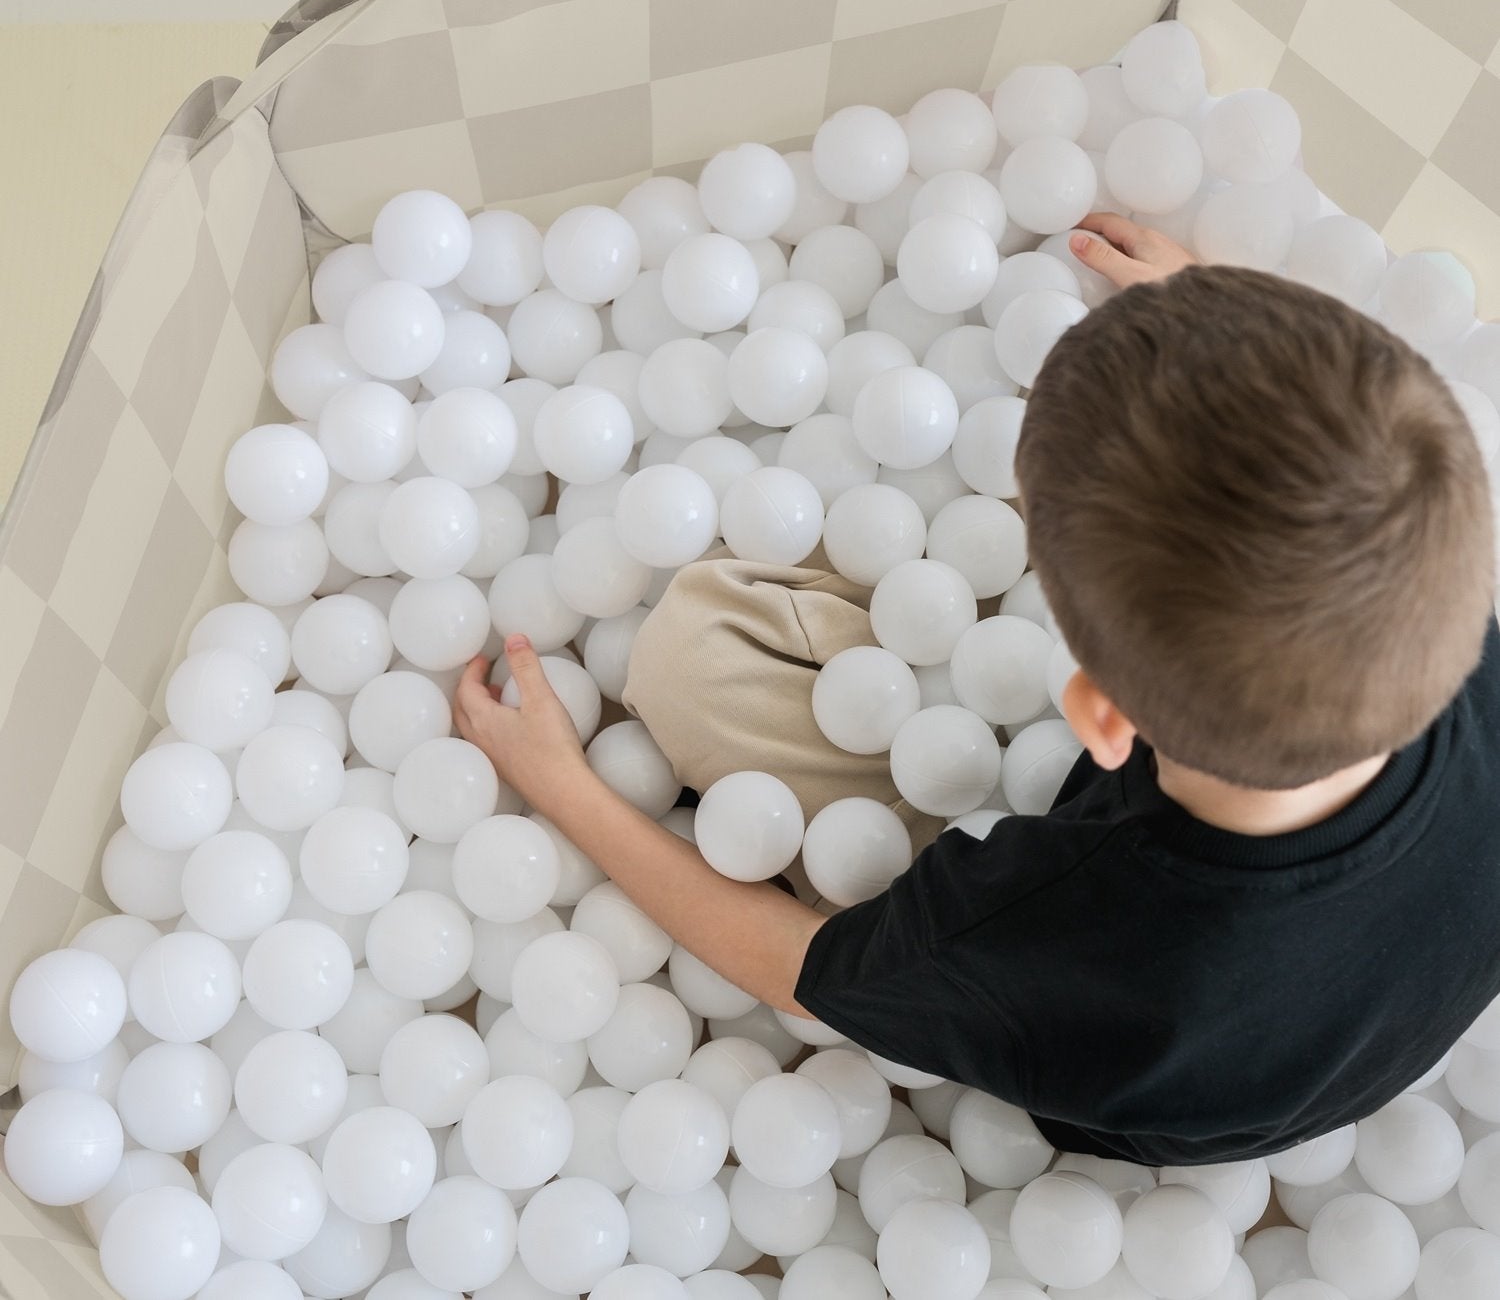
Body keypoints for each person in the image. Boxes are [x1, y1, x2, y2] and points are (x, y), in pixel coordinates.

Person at [453, 210, 1500, 1166]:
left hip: (1130, 1070)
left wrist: (565, 790)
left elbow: (801, 975)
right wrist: (1217, 338)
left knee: (689, 652)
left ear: (1100, 715)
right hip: (1335, 1034)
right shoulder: (1453, 614)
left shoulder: (1067, 931)